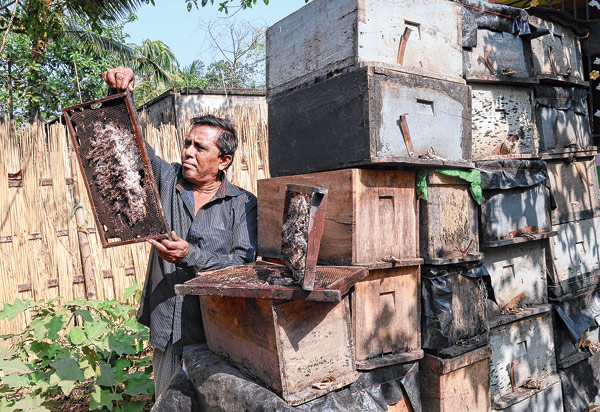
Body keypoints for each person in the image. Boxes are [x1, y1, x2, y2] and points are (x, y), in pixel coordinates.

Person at [103, 66, 258, 396]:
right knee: (167, 401)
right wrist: (120, 97)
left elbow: (243, 268)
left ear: (224, 160)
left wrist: (192, 256)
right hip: (167, 327)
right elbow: (130, 149)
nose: (187, 151)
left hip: (216, 334)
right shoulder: (167, 180)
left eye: (200, 147)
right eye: (187, 143)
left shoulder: (243, 204)